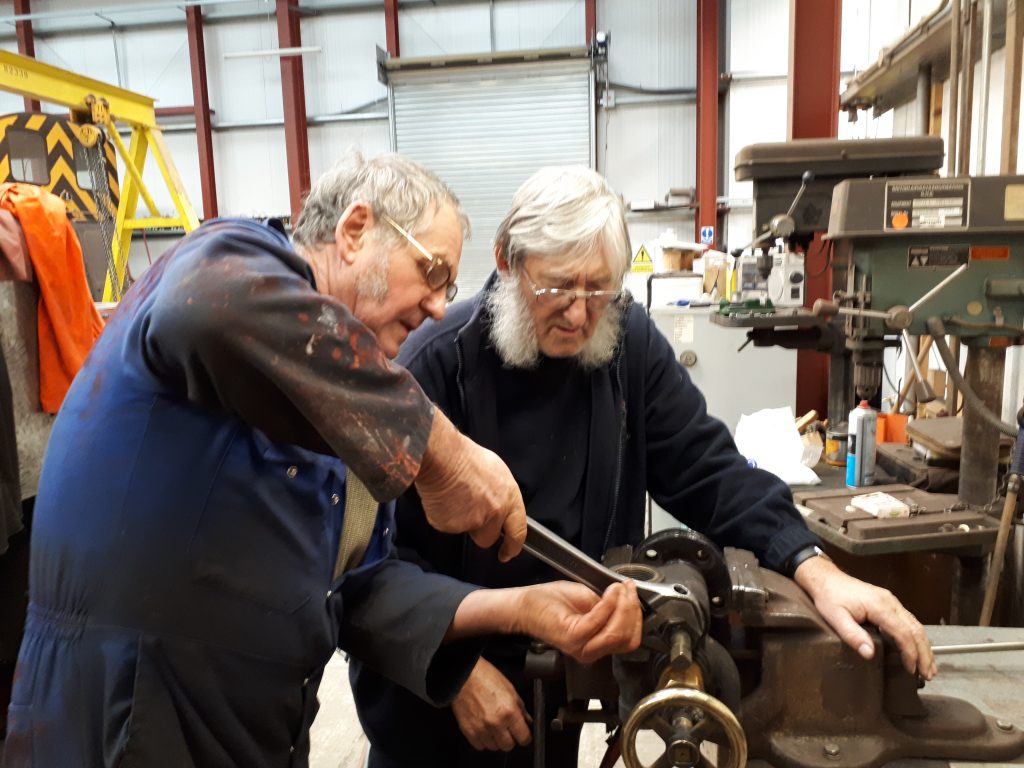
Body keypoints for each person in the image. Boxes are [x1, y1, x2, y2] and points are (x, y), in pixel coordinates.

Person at [1, 154, 644, 768]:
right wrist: (442, 454)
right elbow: (205, 306)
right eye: (432, 272)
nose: (441, 306)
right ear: (355, 229)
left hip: (250, 733)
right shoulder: (227, 259)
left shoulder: (341, 414)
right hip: (125, 723)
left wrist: (519, 607)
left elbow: (360, 589)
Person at [350, 165, 938, 768]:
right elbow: (370, 573)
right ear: (505, 261)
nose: (581, 316)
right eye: (558, 288)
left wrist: (813, 566)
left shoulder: (625, 343)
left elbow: (710, 470)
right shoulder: (428, 369)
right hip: (436, 704)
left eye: (600, 290)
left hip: (562, 685)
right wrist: (456, 674)